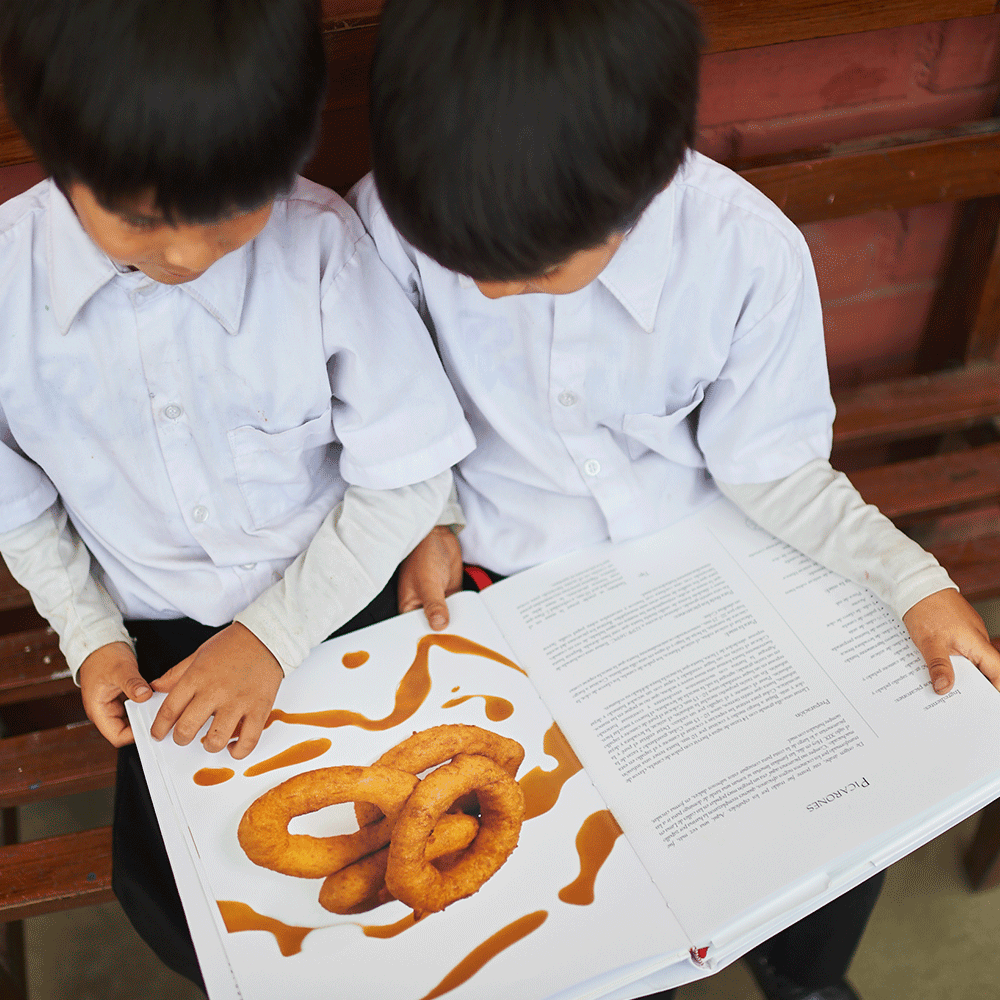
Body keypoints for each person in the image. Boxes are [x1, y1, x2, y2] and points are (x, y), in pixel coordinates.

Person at [348, 0, 1000, 998]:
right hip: (504, 576)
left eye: (528, 273)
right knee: (540, 865)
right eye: (467, 266)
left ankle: (805, 972)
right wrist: (430, 516)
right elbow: (400, 415)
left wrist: (909, 579)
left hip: (712, 554)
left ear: (642, 184)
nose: (485, 294)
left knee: (850, 782)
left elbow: (772, 466)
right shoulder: (390, 230)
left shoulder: (744, 255)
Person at [0, 0, 475, 988]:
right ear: (54, 156)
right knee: (185, 891)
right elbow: (22, 510)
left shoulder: (320, 248)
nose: (182, 255)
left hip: (336, 597)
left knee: (429, 867)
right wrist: (92, 637)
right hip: (160, 640)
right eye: (137, 217)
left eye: (225, 214)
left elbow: (406, 474)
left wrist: (272, 637)